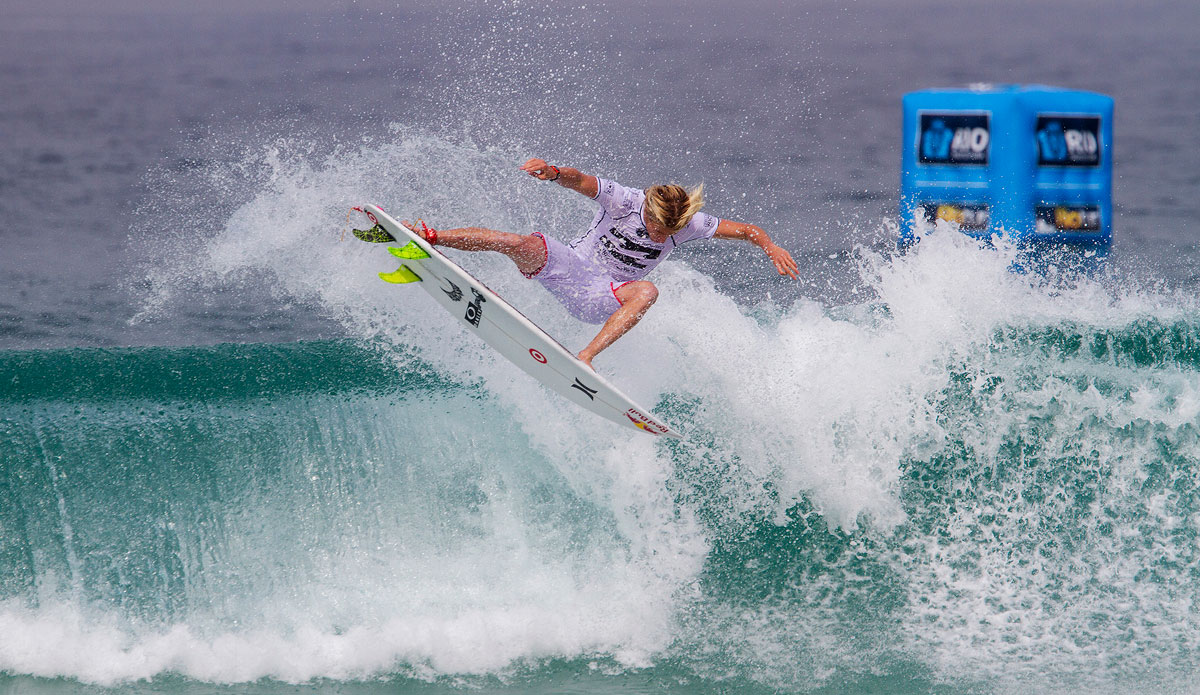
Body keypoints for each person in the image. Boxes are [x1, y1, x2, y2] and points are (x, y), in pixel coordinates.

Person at [363, 158, 799, 367]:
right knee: (517, 241)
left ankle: (585, 356)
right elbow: (580, 182)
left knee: (648, 290)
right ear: (646, 208)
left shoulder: (691, 223)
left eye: (670, 231)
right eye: (656, 225)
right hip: (569, 267)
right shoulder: (625, 200)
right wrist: (552, 172)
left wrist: (770, 246)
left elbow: (746, 229)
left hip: (603, 299)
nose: (662, 235)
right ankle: (427, 239)